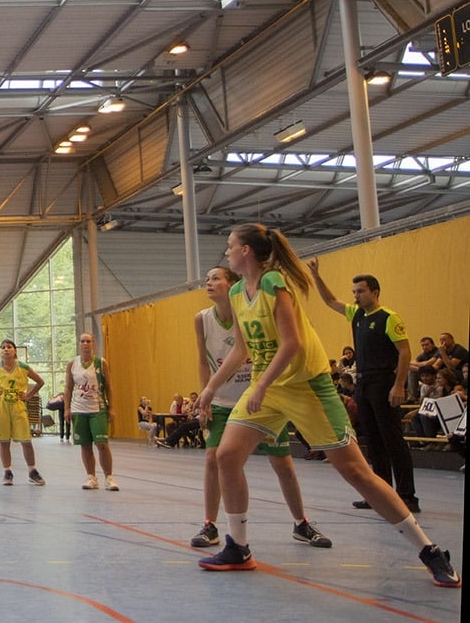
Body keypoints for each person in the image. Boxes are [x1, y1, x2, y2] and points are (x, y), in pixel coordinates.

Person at [195, 224, 457, 587]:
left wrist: (262, 385)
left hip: (306, 385)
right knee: (226, 455)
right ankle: (238, 547)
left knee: (356, 473)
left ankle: (430, 550)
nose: (226, 252)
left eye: (230, 246)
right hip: (267, 385)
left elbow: (293, 345)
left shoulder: (274, 284)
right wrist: (210, 387)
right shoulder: (239, 291)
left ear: (247, 253)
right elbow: (241, 349)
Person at [182, 265, 331, 552]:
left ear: (232, 284)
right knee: (213, 459)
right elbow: (203, 361)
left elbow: (252, 349)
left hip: (259, 399)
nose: (209, 283)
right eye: (207, 279)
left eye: (215, 278)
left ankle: (301, 522)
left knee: (283, 464)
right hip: (224, 401)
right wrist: (206, 396)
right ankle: (210, 525)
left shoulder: (249, 310)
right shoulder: (201, 319)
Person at [308, 263, 420, 513]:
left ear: (375, 292)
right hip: (364, 383)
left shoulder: (389, 318)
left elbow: (405, 352)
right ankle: (380, 495)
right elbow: (330, 301)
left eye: (361, 291)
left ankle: (407, 496)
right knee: (373, 441)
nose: (356, 296)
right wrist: (316, 275)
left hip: (384, 383)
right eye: (354, 292)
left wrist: (399, 385)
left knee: (393, 440)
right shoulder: (356, 315)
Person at [0, 338, 45, 486]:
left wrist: (29, 395)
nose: (6, 349)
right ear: (0, 351)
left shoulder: (23, 367)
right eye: (3, 347)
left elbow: (40, 381)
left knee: (26, 440)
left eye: (9, 347)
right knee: (4, 441)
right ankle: (7, 472)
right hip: (1, 404)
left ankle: (32, 471)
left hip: (18, 404)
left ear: (15, 351)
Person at [64, 332, 118, 491]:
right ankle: (91, 477)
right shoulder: (72, 364)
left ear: (93, 343)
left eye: (88, 341)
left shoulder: (101, 363)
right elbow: (68, 387)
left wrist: (112, 407)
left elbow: (108, 386)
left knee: (102, 443)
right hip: (78, 409)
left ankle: (109, 477)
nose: (85, 344)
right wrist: (67, 408)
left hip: (97, 408)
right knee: (85, 445)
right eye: (82, 341)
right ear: (79, 344)